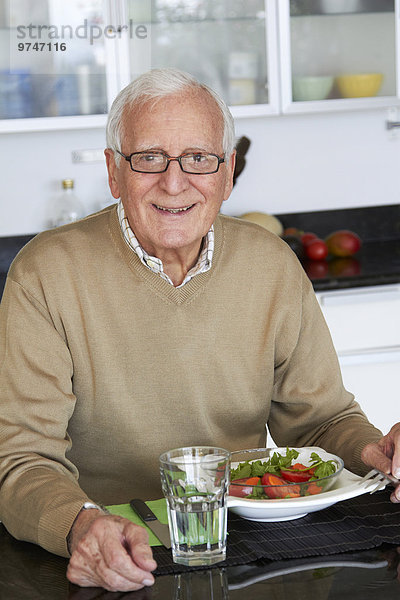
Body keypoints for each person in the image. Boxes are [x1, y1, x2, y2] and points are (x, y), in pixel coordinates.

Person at [0, 67, 399, 593]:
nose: (174, 180)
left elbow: (321, 421)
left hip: (250, 550)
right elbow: (20, 459)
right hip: (110, 553)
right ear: (114, 172)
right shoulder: (45, 273)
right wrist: (80, 524)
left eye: (199, 159)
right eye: (148, 158)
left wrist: (373, 450)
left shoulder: (271, 264)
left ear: (228, 172)